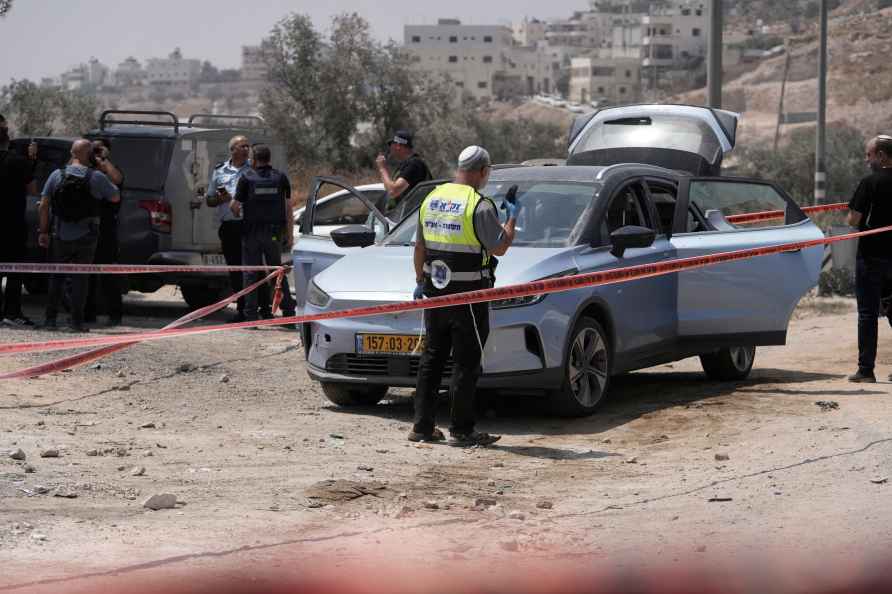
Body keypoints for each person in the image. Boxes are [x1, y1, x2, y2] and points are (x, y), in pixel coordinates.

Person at [409, 145, 518, 447]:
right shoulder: (478, 205)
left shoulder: (432, 198)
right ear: (483, 171)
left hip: (435, 293)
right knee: (466, 363)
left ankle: (422, 426)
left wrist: (420, 279)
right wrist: (512, 219)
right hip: (469, 297)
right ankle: (462, 430)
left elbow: (419, 247)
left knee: (432, 358)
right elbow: (499, 247)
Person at [39, 139, 120, 332]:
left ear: (72, 153)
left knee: (56, 278)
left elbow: (44, 205)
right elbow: (115, 196)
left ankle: (50, 320)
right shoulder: (96, 177)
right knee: (80, 280)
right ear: (89, 155)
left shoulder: (56, 175)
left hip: (60, 234)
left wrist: (43, 231)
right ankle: (76, 322)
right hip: (86, 235)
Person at [231, 144, 297, 326]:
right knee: (277, 273)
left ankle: (251, 316)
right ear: (269, 159)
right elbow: (288, 208)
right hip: (274, 234)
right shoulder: (280, 178)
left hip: (251, 234)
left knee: (251, 273)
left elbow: (235, 207)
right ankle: (288, 313)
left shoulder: (246, 178)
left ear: (253, 159)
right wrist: (289, 235)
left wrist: (235, 211)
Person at [206, 135, 270, 321]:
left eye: (248, 146)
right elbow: (209, 200)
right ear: (232, 149)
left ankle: (264, 310)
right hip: (229, 227)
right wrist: (221, 199)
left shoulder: (254, 170)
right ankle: (242, 311)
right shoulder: (219, 171)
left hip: (250, 225)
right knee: (235, 271)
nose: (246, 148)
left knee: (255, 269)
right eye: (242, 146)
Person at [847, 134, 892, 383]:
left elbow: (853, 220)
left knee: (867, 314)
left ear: (881, 156)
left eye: (869, 154)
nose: (867, 160)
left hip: (872, 257)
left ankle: (866, 370)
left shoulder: (870, 182)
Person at [0, 114, 38, 326]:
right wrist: (31, 163)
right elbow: (32, 190)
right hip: (13, 224)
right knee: (14, 271)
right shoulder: (19, 162)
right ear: (8, 141)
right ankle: (12, 312)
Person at [84, 138, 125, 326]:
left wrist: (105, 160)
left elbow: (118, 179)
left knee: (109, 274)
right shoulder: (86, 170)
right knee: (86, 274)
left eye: (101, 148)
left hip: (107, 228)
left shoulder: (111, 170)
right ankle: (87, 313)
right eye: (94, 148)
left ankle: (115, 314)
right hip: (87, 226)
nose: (97, 151)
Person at [375, 130, 431, 212]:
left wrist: (382, 169)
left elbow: (393, 191)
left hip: (413, 218)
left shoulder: (414, 164)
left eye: (391, 145)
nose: (390, 149)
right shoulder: (405, 165)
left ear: (398, 145)